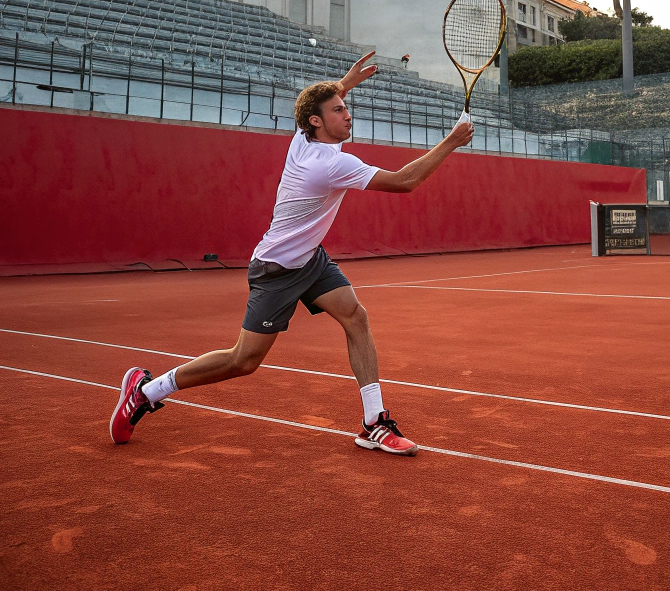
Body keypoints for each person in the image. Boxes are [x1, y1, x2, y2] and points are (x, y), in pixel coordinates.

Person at [109, 51, 474, 456]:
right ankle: (147, 390)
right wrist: (453, 141)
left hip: (310, 258)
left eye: (346, 107)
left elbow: (315, 101)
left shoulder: (301, 137)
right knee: (243, 361)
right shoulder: (329, 164)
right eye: (339, 110)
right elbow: (406, 181)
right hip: (278, 268)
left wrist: (344, 84)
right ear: (317, 122)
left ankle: (375, 422)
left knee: (355, 315)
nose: (347, 114)